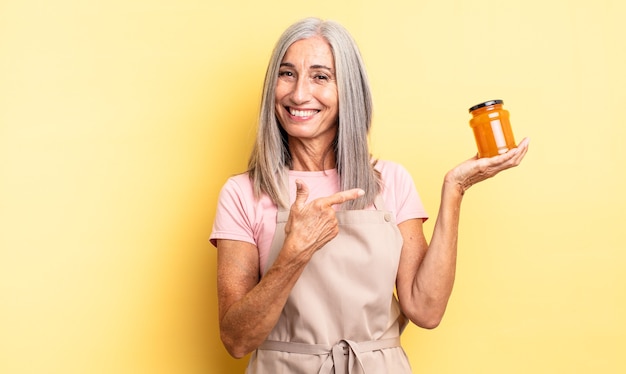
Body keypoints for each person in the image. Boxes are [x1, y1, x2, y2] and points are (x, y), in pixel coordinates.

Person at [210, 17, 529, 373]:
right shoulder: (241, 194)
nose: (299, 94)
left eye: (320, 76)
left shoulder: (391, 181)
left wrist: (455, 189)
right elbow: (236, 340)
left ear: (349, 89)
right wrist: (294, 253)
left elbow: (425, 310)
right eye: (287, 74)